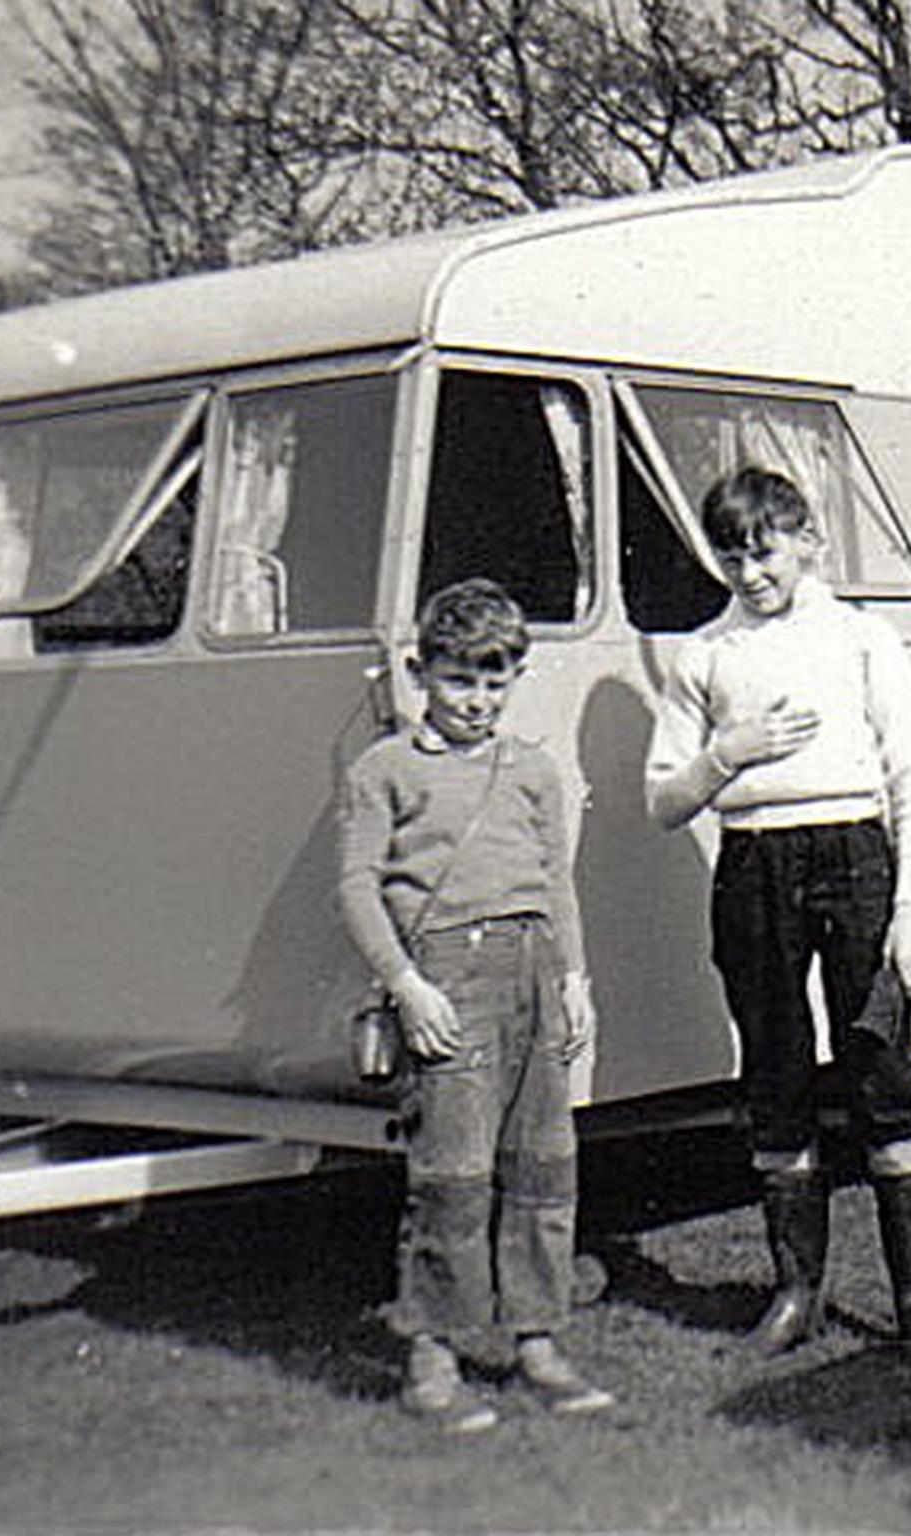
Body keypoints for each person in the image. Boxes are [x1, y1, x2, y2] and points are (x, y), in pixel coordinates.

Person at [644, 465, 911, 1359]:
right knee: (774, 1078)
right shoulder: (705, 656)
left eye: (764, 551)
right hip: (754, 865)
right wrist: (725, 756)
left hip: (857, 856)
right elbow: (663, 800)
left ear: (807, 539)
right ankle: (795, 1296)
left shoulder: (863, 639)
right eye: (731, 556)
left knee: (882, 1074)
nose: (749, 573)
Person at [338, 576, 615, 1431]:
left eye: (496, 681)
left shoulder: (531, 769)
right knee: (452, 1175)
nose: (478, 700)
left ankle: (537, 1343)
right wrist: (407, 985)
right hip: (445, 978)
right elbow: (354, 886)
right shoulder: (382, 769)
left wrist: (575, 980)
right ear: (422, 673)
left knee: (543, 1165)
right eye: (461, 679)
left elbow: (554, 881)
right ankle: (434, 1354)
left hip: (535, 969)